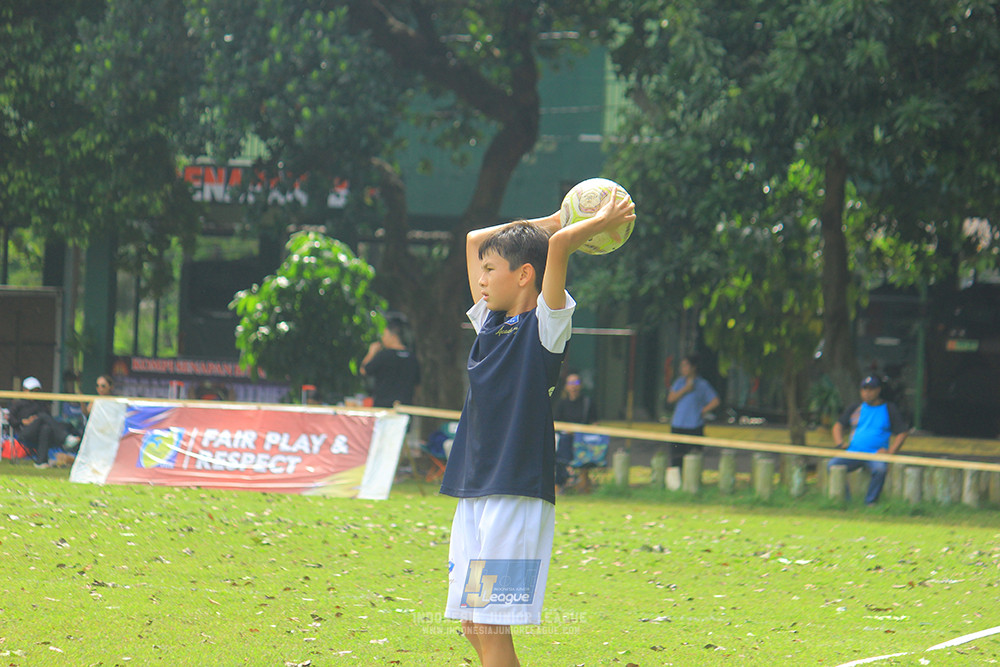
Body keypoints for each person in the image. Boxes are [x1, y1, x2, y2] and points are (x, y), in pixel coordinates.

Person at [439, 188, 635, 666]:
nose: (480, 279)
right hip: (474, 487)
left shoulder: (545, 328)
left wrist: (583, 225)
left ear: (525, 275)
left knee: (489, 622)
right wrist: (551, 218)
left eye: (491, 271)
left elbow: (562, 246)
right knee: (472, 622)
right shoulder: (489, 321)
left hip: (516, 489)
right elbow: (473, 240)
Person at [828, 375, 909, 505]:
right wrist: (840, 443)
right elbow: (838, 426)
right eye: (864, 389)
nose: (867, 393)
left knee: (880, 470)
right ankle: (845, 500)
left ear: (878, 390)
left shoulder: (888, 408)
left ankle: (870, 502)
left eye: (871, 389)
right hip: (853, 452)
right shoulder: (855, 407)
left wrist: (891, 452)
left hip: (876, 454)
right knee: (833, 465)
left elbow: (902, 432)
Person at [8, 376, 79, 468]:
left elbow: (48, 420)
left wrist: (36, 420)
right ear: (25, 390)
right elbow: (11, 420)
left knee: (46, 428)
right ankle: (65, 438)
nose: (34, 393)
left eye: (37, 391)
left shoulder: (41, 403)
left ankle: (41, 462)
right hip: (24, 432)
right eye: (32, 391)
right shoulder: (18, 404)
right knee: (42, 416)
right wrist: (23, 422)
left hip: (39, 432)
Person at [666, 354, 720, 468]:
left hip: (694, 425)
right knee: (677, 457)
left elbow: (715, 401)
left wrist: (702, 411)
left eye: (686, 366)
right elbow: (671, 399)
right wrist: (685, 389)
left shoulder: (702, 384)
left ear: (693, 367)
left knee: (694, 458)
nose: (683, 369)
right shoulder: (679, 382)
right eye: (682, 366)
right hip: (678, 424)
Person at [360, 316, 421, 408]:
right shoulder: (412, 358)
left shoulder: (384, 355)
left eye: (384, 335)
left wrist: (371, 352)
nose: (383, 339)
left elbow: (364, 370)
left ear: (392, 336)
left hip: (383, 407)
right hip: (405, 408)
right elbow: (417, 386)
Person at [553, 372, 598, 494]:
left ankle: (583, 486)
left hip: (583, 439)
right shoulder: (561, 403)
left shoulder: (588, 402)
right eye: (571, 383)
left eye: (576, 382)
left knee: (586, 459)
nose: (573, 386)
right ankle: (559, 484)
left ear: (581, 385)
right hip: (566, 438)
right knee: (561, 457)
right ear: (566, 386)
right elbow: (556, 423)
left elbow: (594, 423)